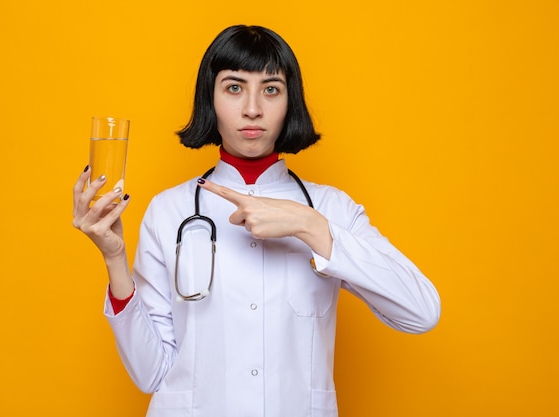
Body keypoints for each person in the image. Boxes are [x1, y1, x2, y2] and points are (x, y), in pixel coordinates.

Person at [72, 25, 440, 417]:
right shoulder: (169, 211)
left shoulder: (330, 209)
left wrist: (309, 225)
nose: (252, 108)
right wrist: (114, 258)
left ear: (289, 101)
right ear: (209, 99)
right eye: (234, 87)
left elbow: (421, 312)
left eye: (270, 89)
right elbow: (151, 373)